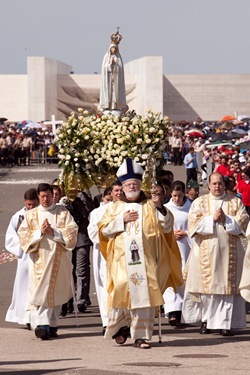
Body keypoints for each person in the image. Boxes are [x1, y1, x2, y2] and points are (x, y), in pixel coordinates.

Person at [98, 158, 183, 349]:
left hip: (146, 260)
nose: (132, 187)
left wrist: (160, 206)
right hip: (121, 262)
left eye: (135, 184)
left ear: (140, 184)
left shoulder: (150, 206)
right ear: (123, 186)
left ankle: (141, 336)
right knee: (121, 289)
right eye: (128, 184)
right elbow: (103, 231)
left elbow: (167, 225)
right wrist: (122, 220)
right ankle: (122, 327)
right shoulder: (115, 208)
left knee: (144, 295)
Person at [182, 172, 249, 336]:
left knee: (227, 290)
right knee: (207, 290)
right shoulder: (199, 203)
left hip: (229, 252)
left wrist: (226, 220)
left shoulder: (235, 202)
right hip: (206, 252)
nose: (217, 186)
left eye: (220, 183)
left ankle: (226, 324)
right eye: (214, 183)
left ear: (224, 184)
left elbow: (244, 222)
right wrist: (212, 219)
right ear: (208, 185)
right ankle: (206, 321)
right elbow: (193, 225)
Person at [18, 183, 78, 340]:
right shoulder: (31, 215)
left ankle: (52, 325)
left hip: (59, 259)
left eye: (48, 196)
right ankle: (42, 325)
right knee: (44, 291)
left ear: (53, 195)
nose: (45, 199)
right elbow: (23, 236)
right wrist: (40, 232)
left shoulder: (63, 213)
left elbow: (72, 233)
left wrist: (54, 232)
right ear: (38, 197)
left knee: (56, 293)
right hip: (39, 261)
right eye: (42, 196)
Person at [87, 181, 123, 332]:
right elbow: (94, 233)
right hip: (105, 253)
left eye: (121, 190)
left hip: (123, 254)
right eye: (116, 190)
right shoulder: (98, 212)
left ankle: (123, 320)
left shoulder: (129, 208)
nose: (119, 193)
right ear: (110, 193)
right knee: (105, 286)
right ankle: (107, 320)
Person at [5, 189, 39, 327]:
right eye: (28, 205)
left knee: (37, 287)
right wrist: (22, 245)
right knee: (23, 286)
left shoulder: (42, 214)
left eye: (33, 204)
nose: (30, 207)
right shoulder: (18, 216)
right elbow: (10, 237)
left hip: (40, 255)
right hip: (25, 256)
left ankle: (37, 318)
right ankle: (24, 317)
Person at [163, 181, 192, 325]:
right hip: (170, 247)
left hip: (186, 247)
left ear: (184, 194)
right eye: (174, 196)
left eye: (180, 196)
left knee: (184, 277)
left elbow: (196, 226)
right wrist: (170, 234)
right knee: (170, 276)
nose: (176, 199)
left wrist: (186, 233)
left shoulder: (191, 208)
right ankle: (172, 312)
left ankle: (183, 311)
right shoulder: (165, 209)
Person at [99, 32, 128, 112]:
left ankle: (115, 106)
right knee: (109, 93)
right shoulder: (106, 57)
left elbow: (120, 69)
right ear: (110, 49)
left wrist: (115, 66)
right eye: (112, 48)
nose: (114, 49)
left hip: (116, 79)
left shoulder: (118, 57)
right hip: (108, 80)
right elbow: (104, 69)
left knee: (115, 93)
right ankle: (107, 106)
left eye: (115, 48)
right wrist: (110, 65)